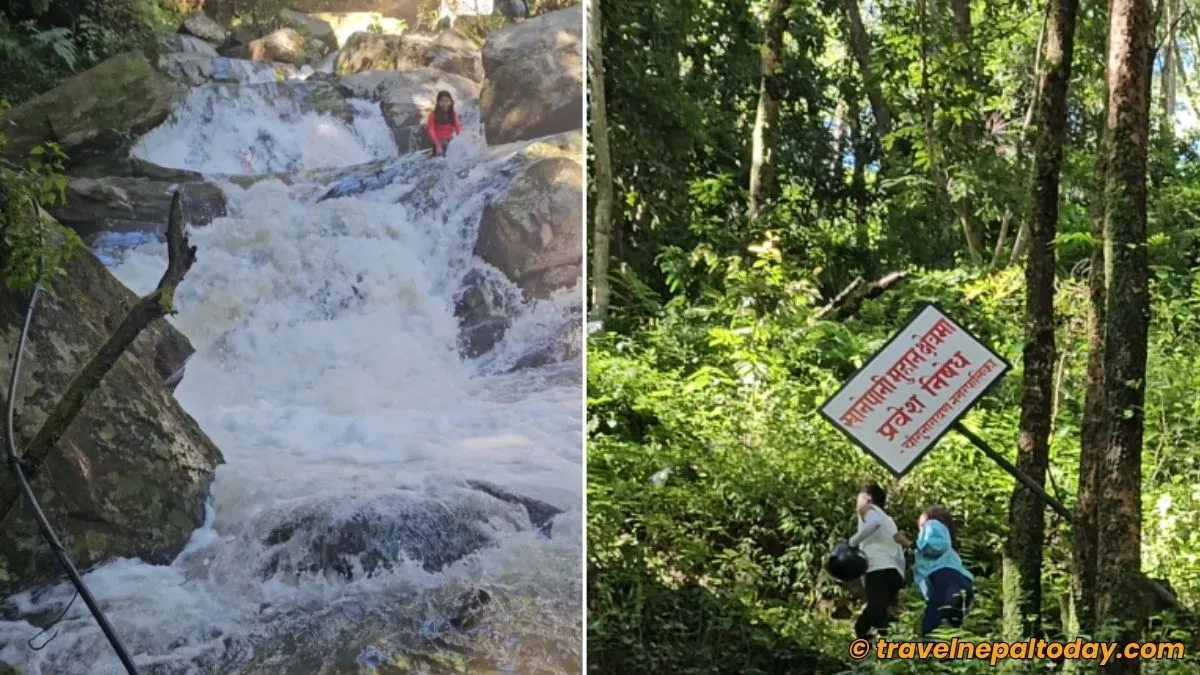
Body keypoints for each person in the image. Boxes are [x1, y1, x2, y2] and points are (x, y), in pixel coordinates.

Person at [844, 483, 907, 639]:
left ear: (868, 498)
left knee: (872, 616)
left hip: (878, 568)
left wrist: (851, 542)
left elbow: (874, 523)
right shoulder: (888, 519)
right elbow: (900, 540)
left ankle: (874, 647)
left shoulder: (867, 509)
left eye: (858, 497)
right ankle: (889, 648)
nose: (856, 502)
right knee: (880, 615)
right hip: (895, 572)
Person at [912, 505, 974, 636]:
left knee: (932, 629)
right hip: (961, 583)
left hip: (946, 580)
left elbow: (935, 545)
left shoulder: (932, 524)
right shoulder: (950, 551)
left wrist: (911, 544)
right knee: (951, 631)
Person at [426, 91, 462, 157]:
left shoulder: (454, 115)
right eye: (442, 101)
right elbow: (431, 131)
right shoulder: (432, 115)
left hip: (449, 142)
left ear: (451, 102)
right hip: (437, 142)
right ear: (438, 102)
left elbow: (459, 130)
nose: (444, 104)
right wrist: (437, 145)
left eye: (447, 101)